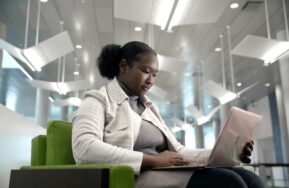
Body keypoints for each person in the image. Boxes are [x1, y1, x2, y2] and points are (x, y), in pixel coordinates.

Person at [72, 41, 265, 188]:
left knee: (251, 178)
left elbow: (178, 151)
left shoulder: (149, 107)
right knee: (228, 182)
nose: (151, 81)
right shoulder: (98, 100)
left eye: (155, 75)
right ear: (123, 66)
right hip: (138, 176)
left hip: (166, 171)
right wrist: (153, 160)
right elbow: (84, 148)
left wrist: (223, 154)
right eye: (146, 71)